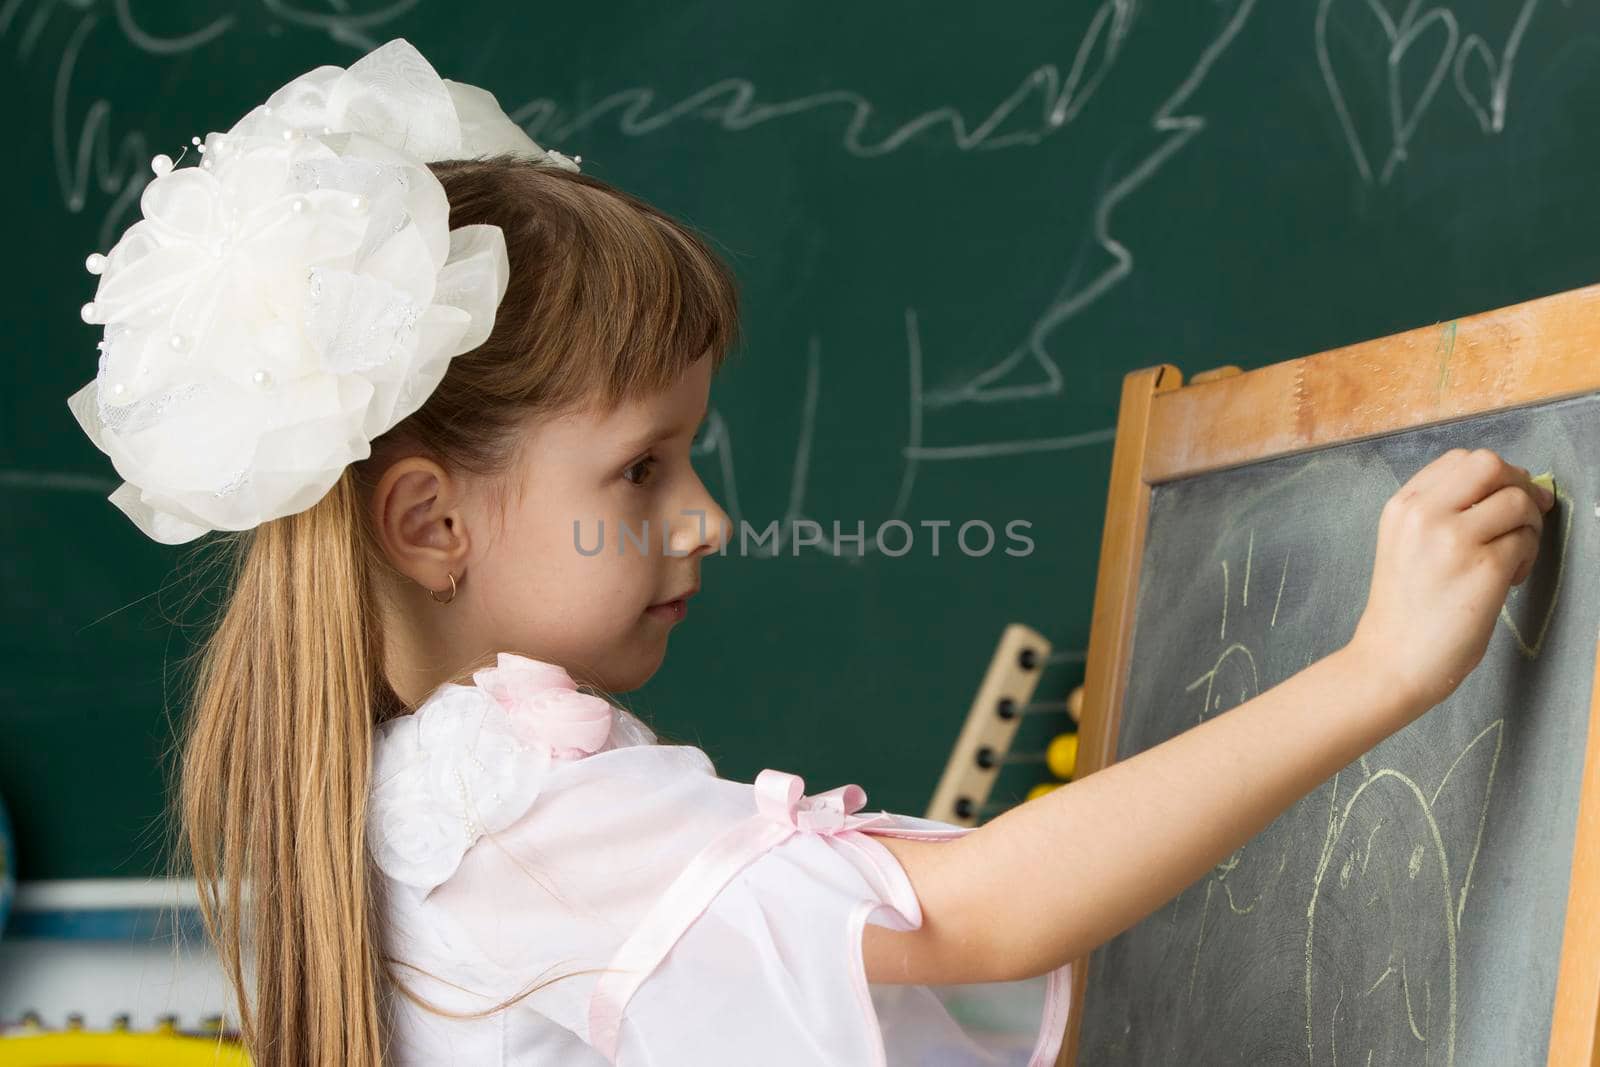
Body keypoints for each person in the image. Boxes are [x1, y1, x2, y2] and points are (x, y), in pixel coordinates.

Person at [65, 38, 1554, 1067]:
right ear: (432, 523)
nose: (704, 516)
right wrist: (1378, 670)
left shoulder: (413, 792)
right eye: (640, 468)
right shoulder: (503, 802)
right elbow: (976, 919)